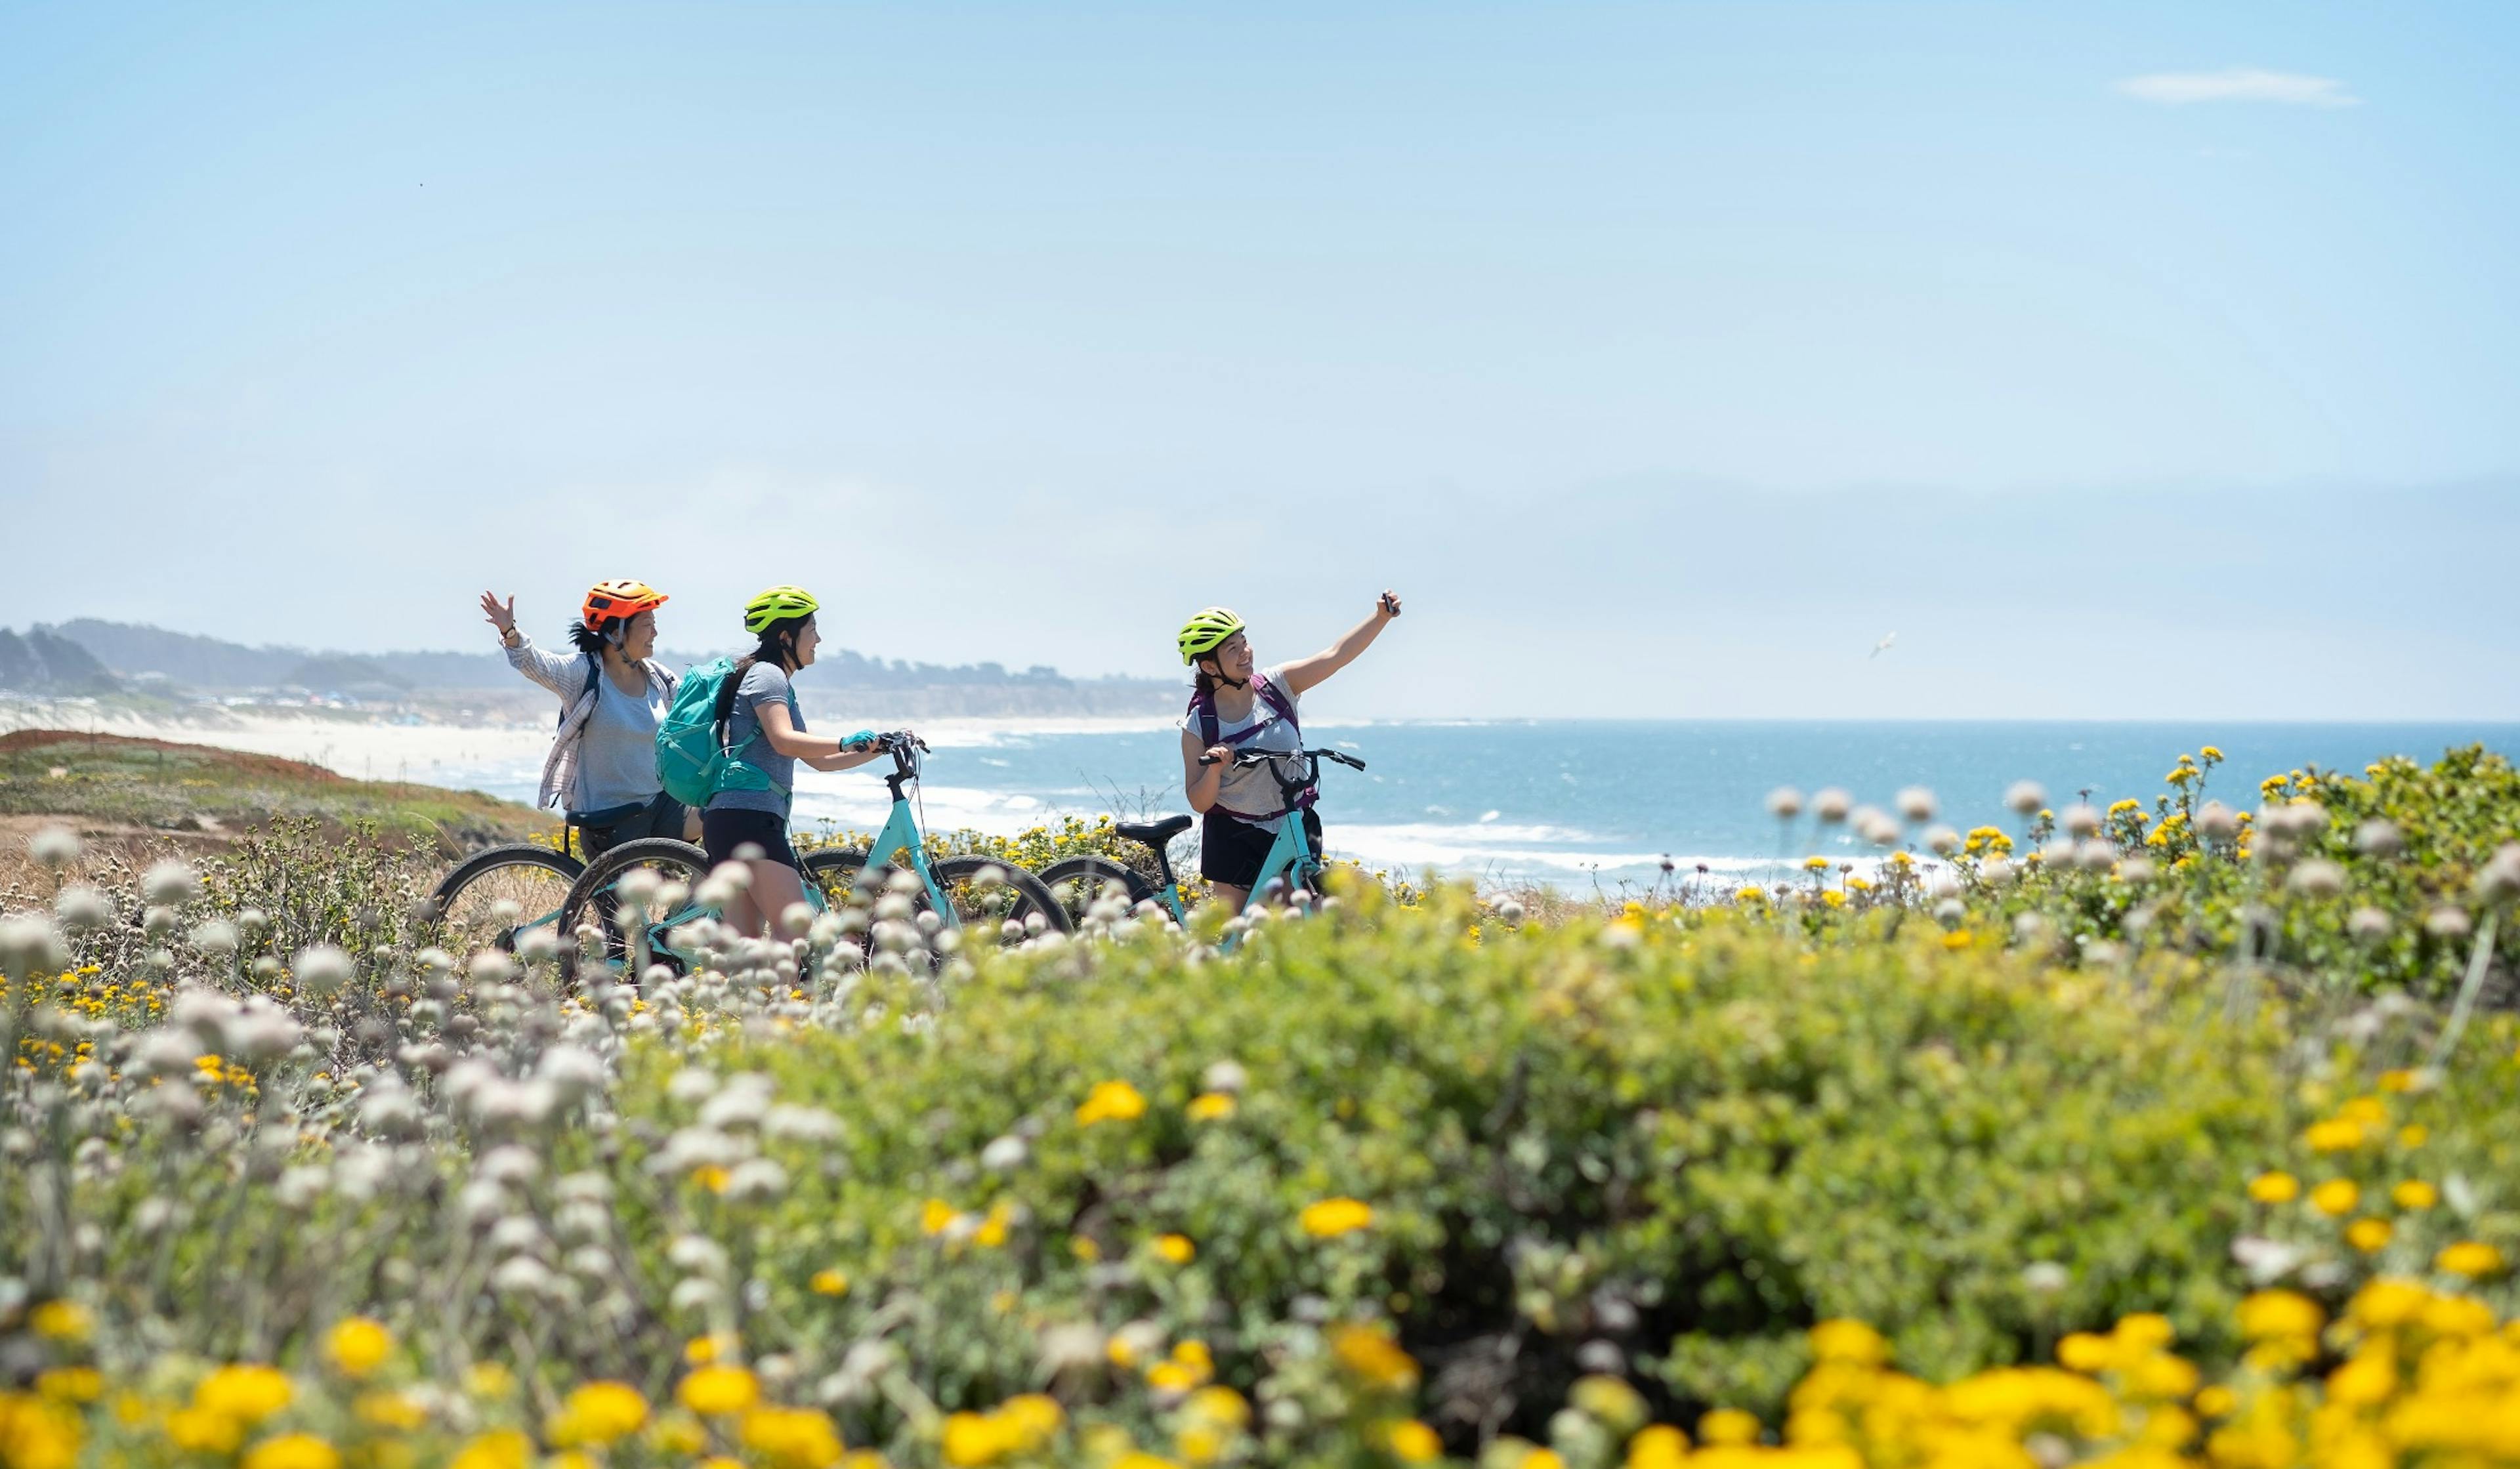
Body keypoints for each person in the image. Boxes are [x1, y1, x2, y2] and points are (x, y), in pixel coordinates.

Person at [1177, 592, 1402, 911]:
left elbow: (1336, 656)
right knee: (1237, 941)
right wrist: (1215, 767)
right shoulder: (1200, 724)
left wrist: (1380, 618)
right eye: (1233, 649)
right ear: (1210, 666)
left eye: (1244, 641)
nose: (1245, 652)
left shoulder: (1278, 686)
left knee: (1302, 924)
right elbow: (1199, 800)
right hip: (1234, 836)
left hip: (1291, 825)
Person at [704, 585, 897, 937]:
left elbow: (818, 760)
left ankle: (741, 994)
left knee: (744, 949)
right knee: (794, 929)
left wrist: (875, 749)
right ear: (785, 636)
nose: (819, 639)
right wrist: (844, 739)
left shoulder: (774, 678)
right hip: (749, 820)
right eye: (812, 629)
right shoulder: (768, 675)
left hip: (738, 819)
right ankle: (784, 996)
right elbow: (784, 739)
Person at [480, 581, 691, 858]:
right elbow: (535, 663)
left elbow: (692, 708)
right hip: (612, 822)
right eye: (646, 624)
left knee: (723, 815)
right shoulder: (584, 673)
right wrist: (510, 631)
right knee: (624, 904)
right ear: (617, 632)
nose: (655, 632)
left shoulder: (658, 677)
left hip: (660, 808)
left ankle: (692, 902)